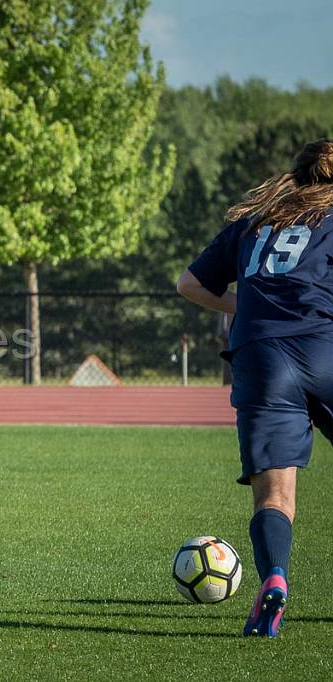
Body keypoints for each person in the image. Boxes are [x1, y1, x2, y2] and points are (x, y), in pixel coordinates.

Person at [177, 138, 333, 638]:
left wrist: (247, 310)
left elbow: (189, 284)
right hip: (324, 346)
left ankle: (275, 579)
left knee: (275, 496)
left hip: (260, 356)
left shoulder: (256, 220)